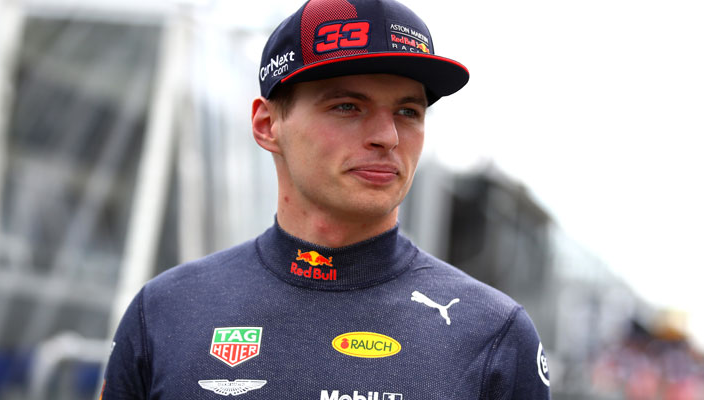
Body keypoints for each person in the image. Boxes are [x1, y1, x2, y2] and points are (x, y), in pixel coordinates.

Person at [100, 0, 551, 399]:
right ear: (267, 125)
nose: (387, 136)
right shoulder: (165, 311)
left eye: (407, 111)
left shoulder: (493, 334)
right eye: (347, 106)